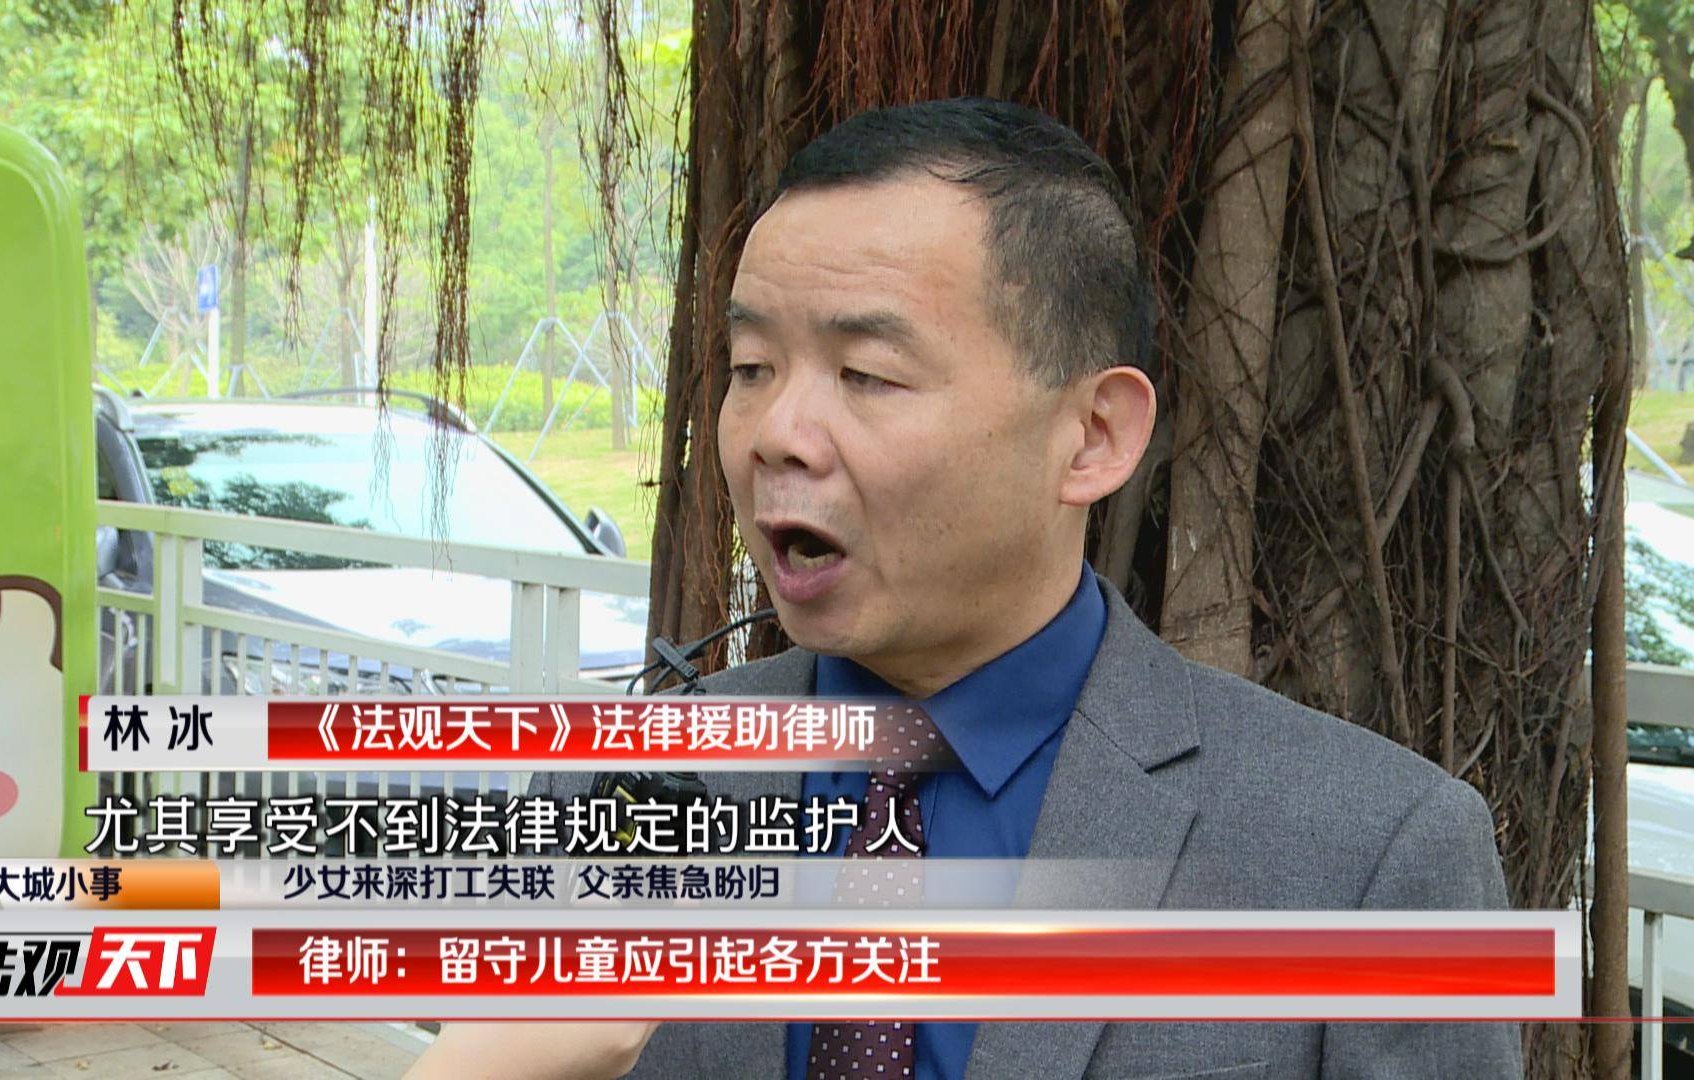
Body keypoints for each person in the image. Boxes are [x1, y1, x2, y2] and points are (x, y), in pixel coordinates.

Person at [406, 96, 1519, 1080]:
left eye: (867, 374)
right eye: (751, 368)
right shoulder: (621, 791)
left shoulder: (1374, 857)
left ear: (1093, 435)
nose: (776, 433)